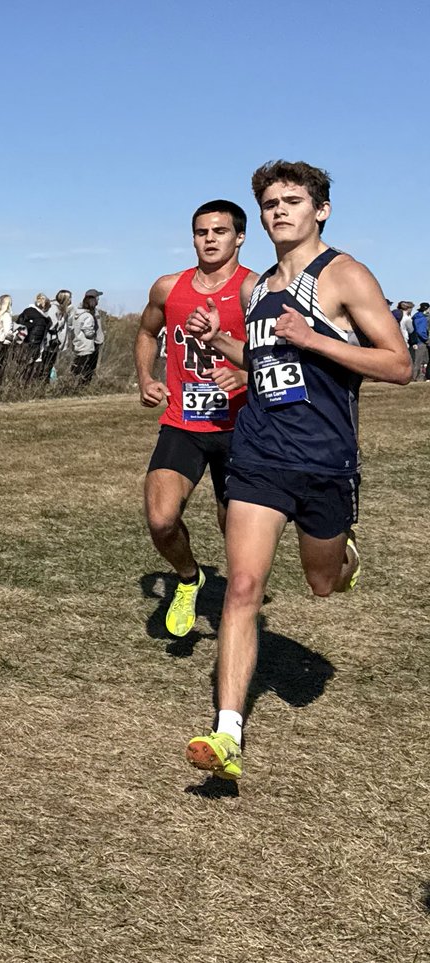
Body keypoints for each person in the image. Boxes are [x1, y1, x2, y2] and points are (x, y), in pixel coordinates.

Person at [183, 160, 410, 781]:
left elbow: (397, 365)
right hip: (259, 455)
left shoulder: (345, 276)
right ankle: (226, 733)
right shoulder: (257, 290)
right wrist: (218, 341)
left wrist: (313, 341)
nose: (279, 210)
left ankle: (344, 560)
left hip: (324, 462)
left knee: (320, 582)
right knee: (242, 589)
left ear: (321, 210)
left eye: (292, 200)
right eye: (270, 202)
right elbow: (264, 363)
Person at [135, 200, 256, 637]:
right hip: (183, 422)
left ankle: (238, 603)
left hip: (241, 429)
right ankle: (189, 579)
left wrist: (244, 374)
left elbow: (280, 354)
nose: (209, 239)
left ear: (239, 237)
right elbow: (148, 332)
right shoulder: (170, 287)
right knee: (161, 519)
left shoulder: (254, 289)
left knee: (236, 532)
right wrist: (145, 377)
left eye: (220, 231)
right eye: (202, 232)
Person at [69, 289, 103, 384]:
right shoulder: (87, 314)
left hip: (85, 343)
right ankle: (83, 385)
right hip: (89, 343)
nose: (98, 299)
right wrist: (93, 334)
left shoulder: (81, 312)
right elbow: (88, 331)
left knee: (81, 365)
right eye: (97, 298)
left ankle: (77, 384)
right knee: (86, 366)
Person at [16, 294, 52, 383]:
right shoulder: (41, 319)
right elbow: (36, 337)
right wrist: (34, 353)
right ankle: (27, 389)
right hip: (32, 348)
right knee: (29, 373)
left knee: (21, 371)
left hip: (21, 345)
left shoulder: (26, 312)